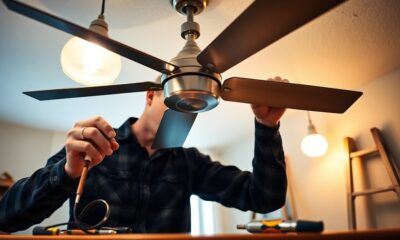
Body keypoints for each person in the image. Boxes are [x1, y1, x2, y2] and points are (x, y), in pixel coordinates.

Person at [0, 77, 288, 233]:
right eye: (177, 99)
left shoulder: (189, 163)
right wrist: (66, 173)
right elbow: (6, 218)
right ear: (151, 96)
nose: (185, 108)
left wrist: (266, 126)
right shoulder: (96, 145)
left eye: (193, 104)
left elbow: (264, 198)